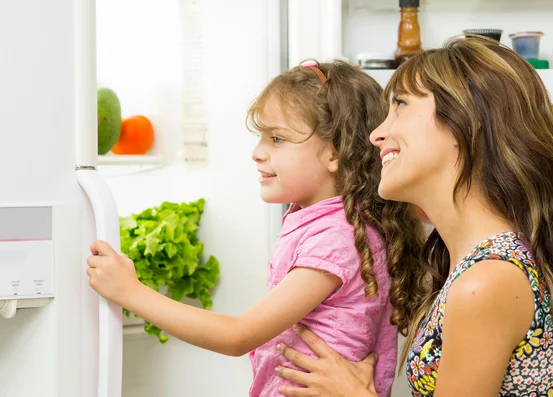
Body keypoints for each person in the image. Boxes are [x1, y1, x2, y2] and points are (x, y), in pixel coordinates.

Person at [274, 37, 553, 397]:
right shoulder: (486, 264)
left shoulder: (487, 281)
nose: (377, 134)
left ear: (463, 124)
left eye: (400, 105)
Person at [85, 60, 423, 396]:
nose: (257, 153)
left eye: (277, 138)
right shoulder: (321, 221)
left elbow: (238, 336)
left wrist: (131, 292)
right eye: (260, 136)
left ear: (334, 152)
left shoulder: (336, 239)